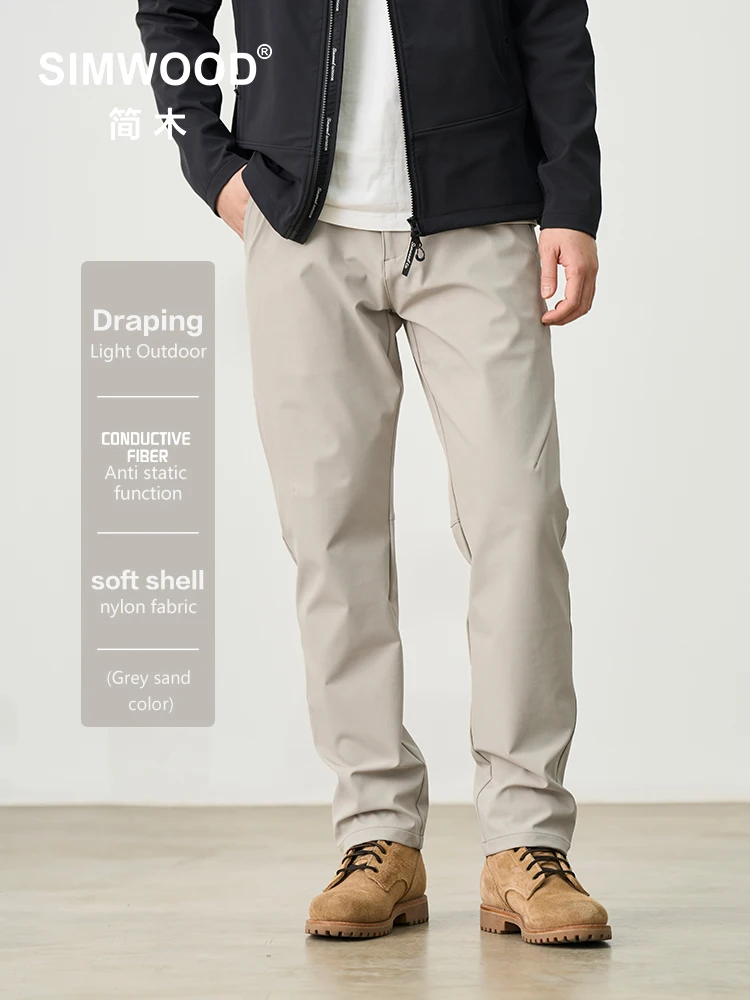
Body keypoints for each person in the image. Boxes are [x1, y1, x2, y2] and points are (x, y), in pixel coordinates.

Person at [137, 0, 611, 945]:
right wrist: (216, 171)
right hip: (300, 223)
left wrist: (571, 197)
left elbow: (552, 20)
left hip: (480, 211)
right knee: (330, 535)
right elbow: (170, 17)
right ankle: (376, 834)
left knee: (518, 517)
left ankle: (525, 842)